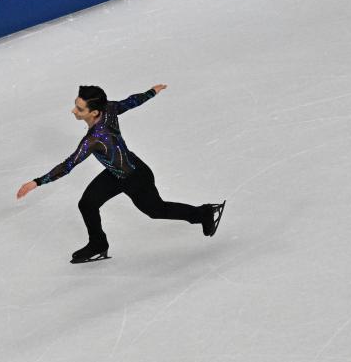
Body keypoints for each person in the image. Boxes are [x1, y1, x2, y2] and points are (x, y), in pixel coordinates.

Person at [16, 85, 225, 263]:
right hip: (116, 174)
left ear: (94, 112)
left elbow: (69, 164)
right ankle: (98, 244)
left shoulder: (94, 139)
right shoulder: (108, 108)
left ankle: (203, 213)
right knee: (87, 204)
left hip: (136, 178)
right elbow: (131, 101)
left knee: (156, 210)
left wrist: (36, 182)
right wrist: (151, 92)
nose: (73, 111)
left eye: (79, 108)